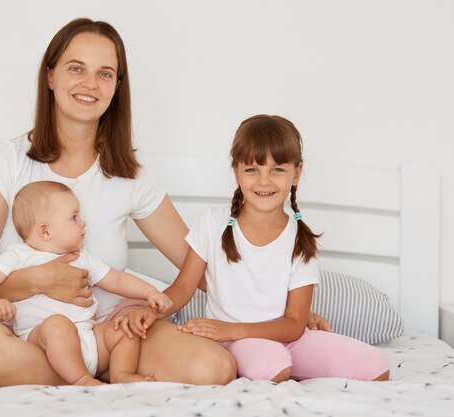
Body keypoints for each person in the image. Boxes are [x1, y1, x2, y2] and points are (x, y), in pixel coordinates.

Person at [0, 18, 329, 388]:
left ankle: (80, 373)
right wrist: (36, 280)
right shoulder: (6, 163)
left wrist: (284, 311)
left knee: (215, 367)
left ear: (116, 86)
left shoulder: (131, 175)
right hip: (31, 339)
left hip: (116, 336)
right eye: (76, 68)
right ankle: (76, 374)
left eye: (105, 73)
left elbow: (204, 268)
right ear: (51, 76)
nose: (90, 83)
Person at [115, 115, 390, 383]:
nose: (264, 181)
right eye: (252, 170)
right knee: (272, 364)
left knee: (376, 366)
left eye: (277, 169)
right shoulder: (213, 222)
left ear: (297, 173)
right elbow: (183, 288)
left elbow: (295, 324)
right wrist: (154, 310)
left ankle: (290, 362)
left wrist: (230, 329)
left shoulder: (301, 240)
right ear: (236, 172)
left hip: (283, 338)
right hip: (233, 342)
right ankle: (277, 364)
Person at [0, 180, 172, 385]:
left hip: (89, 339)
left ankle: (121, 373)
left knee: (125, 328)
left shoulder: (82, 258)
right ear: (45, 231)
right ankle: (82, 380)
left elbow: (116, 279)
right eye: (74, 218)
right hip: (44, 348)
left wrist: (150, 292)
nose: (83, 223)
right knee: (57, 324)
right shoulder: (19, 256)